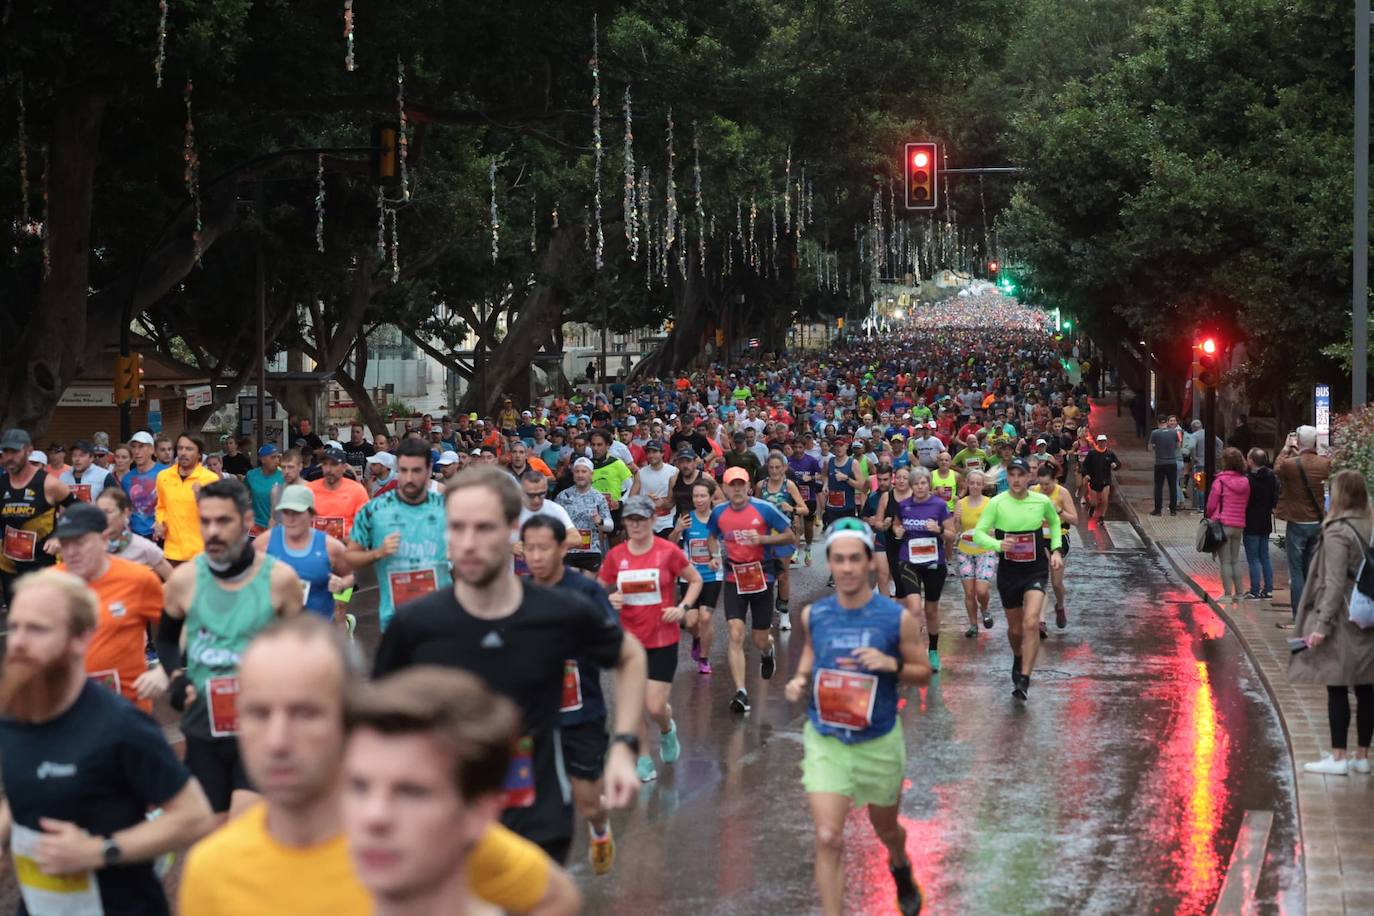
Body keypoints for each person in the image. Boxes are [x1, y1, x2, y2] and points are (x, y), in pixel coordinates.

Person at [179, 616, 580, 915]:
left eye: (306, 713)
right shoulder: (211, 870)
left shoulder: (415, 835)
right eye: (257, 713)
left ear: (351, 718)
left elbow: (555, 897)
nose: (277, 740)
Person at [372, 465, 649, 864]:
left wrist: (623, 746)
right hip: (450, 828)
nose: (468, 543)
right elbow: (380, 725)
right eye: (457, 527)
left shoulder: (558, 610)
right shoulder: (414, 624)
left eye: (483, 528)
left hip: (537, 821)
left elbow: (630, 656)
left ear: (510, 530)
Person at [0, 569, 216, 915]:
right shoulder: (14, 714)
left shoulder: (121, 726)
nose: (19, 642)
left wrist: (99, 851)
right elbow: (28, 775)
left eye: (38, 629)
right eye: (17, 626)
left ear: (80, 638)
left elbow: (195, 817)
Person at [783, 519, 930, 916]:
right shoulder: (814, 615)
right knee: (828, 836)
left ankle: (899, 862)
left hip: (878, 740)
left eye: (854, 559)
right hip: (827, 738)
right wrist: (799, 679)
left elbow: (922, 672)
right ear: (828, 562)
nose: (846, 568)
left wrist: (889, 663)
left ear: (869, 563)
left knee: (886, 829)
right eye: (838, 559)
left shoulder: (893, 617)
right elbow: (812, 655)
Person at [159, 478, 305, 820]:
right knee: (214, 838)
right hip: (202, 729)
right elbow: (166, 641)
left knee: (245, 827)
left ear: (246, 520)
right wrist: (176, 678)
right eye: (205, 521)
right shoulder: (184, 580)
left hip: (260, 730)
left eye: (223, 521)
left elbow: (300, 649)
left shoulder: (280, 580)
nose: (212, 531)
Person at [520, 515, 619, 874]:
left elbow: (613, 646)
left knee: (588, 802)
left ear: (563, 548)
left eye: (543, 548)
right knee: (534, 802)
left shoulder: (586, 592)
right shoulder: (518, 594)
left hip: (582, 713)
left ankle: (600, 827)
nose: (535, 556)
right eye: (528, 548)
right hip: (535, 717)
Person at [599, 495, 702, 782]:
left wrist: (682, 608)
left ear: (652, 521)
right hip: (628, 642)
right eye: (630, 519)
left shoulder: (667, 552)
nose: (635, 525)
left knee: (654, 705)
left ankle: (667, 729)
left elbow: (695, 580)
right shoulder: (616, 556)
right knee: (632, 703)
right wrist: (611, 598)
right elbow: (598, 589)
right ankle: (643, 756)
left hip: (661, 638)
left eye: (641, 519)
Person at [1288, 470, 1374, 776]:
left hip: (1343, 618)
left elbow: (1335, 582)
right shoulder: (1370, 524)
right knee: (1366, 687)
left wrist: (1320, 627)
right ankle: (1362, 756)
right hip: (1368, 612)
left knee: (1337, 685)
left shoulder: (1339, 531)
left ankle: (1338, 757)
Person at [52, 503, 169, 712]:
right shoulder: (48, 583)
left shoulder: (138, 579)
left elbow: (180, 623)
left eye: (80, 542)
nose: (71, 552)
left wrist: (165, 669)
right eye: (65, 543)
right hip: (70, 709)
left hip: (128, 709)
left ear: (104, 539)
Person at [972, 458, 1064, 701]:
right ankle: (1018, 656)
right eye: (1011, 474)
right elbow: (979, 533)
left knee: (1031, 622)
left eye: (1020, 475)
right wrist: (998, 544)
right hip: (1009, 571)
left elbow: (1055, 523)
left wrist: (1055, 550)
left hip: (1035, 569)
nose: (1016, 479)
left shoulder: (1041, 500)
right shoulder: (997, 503)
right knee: (1015, 630)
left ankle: (1024, 677)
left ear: (1028, 477)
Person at [709, 466, 797, 713]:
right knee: (735, 632)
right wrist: (714, 554)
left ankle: (767, 652)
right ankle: (741, 692)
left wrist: (763, 539)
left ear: (748, 486)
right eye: (731, 485)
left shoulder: (764, 509)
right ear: (725, 488)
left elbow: (790, 536)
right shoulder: (719, 513)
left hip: (762, 574)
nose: (736, 489)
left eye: (741, 484)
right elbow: (712, 536)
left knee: (759, 637)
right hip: (733, 576)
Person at [345, 439, 453, 632]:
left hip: (441, 619)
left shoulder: (449, 508)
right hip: (395, 623)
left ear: (429, 470)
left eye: (416, 471)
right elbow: (349, 559)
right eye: (403, 471)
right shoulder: (374, 510)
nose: (409, 478)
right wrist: (377, 553)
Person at [888, 466, 955, 672]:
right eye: (916, 483)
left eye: (923, 483)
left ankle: (933, 651)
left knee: (931, 611)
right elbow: (897, 526)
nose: (920, 486)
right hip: (909, 561)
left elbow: (952, 534)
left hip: (934, 563)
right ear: (911, 486)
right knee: (914, 608)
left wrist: (940, 529)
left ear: (929, 484)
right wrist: (897, 531)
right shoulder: (904, 505)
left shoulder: (940, 505)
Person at [257, 484, 354, 625]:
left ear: (312, 515)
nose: (290, 519)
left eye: (297, 513)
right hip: (276, 633)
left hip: (317, 632)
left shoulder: (331, 547)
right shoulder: (264, 543)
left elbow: (349, 576)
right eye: (286, 512)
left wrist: (342, 583)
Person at [1, 426, 74, 604]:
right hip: (9, 565)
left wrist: (60, 537)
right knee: (16, 618)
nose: (10, 457)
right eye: (6, 451)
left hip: (41, 564)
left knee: (42, 617)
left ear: (29, 451)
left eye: (15, 452)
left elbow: (79, 510)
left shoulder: (48, 484)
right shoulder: (2, 483)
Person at [1276, 425, 1332, 617]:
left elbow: (1277, 467)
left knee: (1296, 570)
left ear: (1298, 442)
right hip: (1317, 522)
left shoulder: (1290, 464)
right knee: (1311, 568)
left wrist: (1286, 449)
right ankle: (1312, 611)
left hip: (1297, 521)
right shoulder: (1324, 464)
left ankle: (1299, 614)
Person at [676, 477, 723, 675]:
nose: (699, 500)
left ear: (711, 498)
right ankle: (697, 639)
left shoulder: (719, 520)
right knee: (690, 621)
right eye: (695, 496)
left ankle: (704, 658)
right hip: (690, 576)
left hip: (712, 576)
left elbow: (727, 546)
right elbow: (672, 545)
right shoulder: (686, 519)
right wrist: (677, 529)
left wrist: (717, 557)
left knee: (705, 618)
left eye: (703, 496)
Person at [757, 450, 807, 627]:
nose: (774, 471)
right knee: (766, 576)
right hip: (765, 537)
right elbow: (755, 508)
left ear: (784, 468)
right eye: (771, 467)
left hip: (784, 536)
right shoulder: (760, 485)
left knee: (783, 575)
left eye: (778, 467)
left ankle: (784, 611)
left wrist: (791, 509)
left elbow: (805, 509)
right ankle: (767, 611)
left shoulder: (789, 485)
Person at [154, 433, 221, 563]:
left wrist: (201, 500)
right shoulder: (163, 476)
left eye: (189, 449)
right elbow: (161, 506)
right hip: (171, 553)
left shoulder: (210, 479)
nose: (183, 453)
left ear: (199, 454)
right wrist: (160, 523)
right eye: (180, 448)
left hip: (201, 554)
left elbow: (218, 516)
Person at [96, 486, 175, 580]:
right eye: (98, 512)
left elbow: (173, 580)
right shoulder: (90, 548)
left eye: (108, 512)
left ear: (125, 513)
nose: (103, 517)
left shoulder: (144, 548)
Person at [1206, 447, 1252, 604]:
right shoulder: (1245, 481)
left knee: (1225, 561)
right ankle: (1239, 593)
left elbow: (1211, 505)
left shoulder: (1220, 481)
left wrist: (1212, 515)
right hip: (1239, 524)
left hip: (1223, 524)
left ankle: (1227, 594)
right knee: (1235, 560)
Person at [955, 469, 997, 635]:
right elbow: (956, 531)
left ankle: (985, 610)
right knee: (969, 592)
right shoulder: (960, 503)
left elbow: (997, 526)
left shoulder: (990, 503)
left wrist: (991, 532)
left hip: (985, 551)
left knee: (981, 590)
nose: (974, 486)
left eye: (978, 483)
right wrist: (956, 520)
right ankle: (973, 625)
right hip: (965, 551)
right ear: (967, 484)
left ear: (983, 485)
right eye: (971, 483)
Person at [556, 457, 613, 572]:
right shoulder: (563, 496)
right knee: (572, 587)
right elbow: (554, 524)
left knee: (588, 587)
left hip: (592, 550)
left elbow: (610, 526)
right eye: (577, 471)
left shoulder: (599, 498)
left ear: (591, 474)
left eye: (584, 471)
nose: (580, 475)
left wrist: (600, 521)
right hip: (569, 550)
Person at [307, 446, 370, 542]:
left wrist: (336, 537)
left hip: (347, 547)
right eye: (325, 464)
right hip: (314, 546)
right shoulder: (309, 490)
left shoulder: (357, 491)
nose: (328, 469)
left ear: (344, 468)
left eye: (334, 464)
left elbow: (364, 528)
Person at [1243, 448, 1279, 600]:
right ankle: (1268, 589)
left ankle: (1255, 590)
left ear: (1251, 461)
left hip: (1251, 522)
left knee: (1253, 558)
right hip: (1265, 521)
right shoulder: (1272, 477)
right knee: (1265, 556)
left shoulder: (1248, 480)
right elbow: (1275, 498)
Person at [628, 439, 678, 537]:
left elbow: (676, 498)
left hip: (668, 521)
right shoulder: (640, 473)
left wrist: (664, 503)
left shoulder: (674, 471)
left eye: (654, 452)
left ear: (662, 453)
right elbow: (632, 498)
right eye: (648, 452)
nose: (651, 455)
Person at [1080, 433, 1121, 522]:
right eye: (1100, 442)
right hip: (1094, 481)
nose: (1102, 443)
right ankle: (1093, 507)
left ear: (1106, 442)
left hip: (1106, 480)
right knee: (1094, 502)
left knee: (1104, 499)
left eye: (1103, 441)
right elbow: (1084, 466)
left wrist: (1115, 465)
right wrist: (1086, 474)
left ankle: (1102, 516)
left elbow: (1118, 463)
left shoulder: (1110, 454)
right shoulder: (1092, 453)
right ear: (1097, 442)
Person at [244, 444, 284, 535]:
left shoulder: (284, 476)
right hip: (255, 526)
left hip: (277, 527)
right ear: (262, 459)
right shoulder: (251, 475)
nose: (277, 460)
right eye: (273, 457)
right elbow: (242, 496)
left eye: (278, 457)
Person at [61, 438, 114, 503]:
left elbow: (115, 503)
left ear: (91, 458)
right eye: (74, 455)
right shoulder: (63, 477)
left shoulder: (105, 476)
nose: (77, 459)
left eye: (82, 455)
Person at [1147, 415, 1179, 516]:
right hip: (1172, 462)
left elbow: (1150, 448)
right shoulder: (1174, 432)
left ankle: (1158, 510)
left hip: (1160, 463)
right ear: (1167, 422)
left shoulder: (1155, 433)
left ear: (1158, 422)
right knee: (1173, 486)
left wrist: (1157, 447)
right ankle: (1173, 510)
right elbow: (1178, 445)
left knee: (1158, 487)